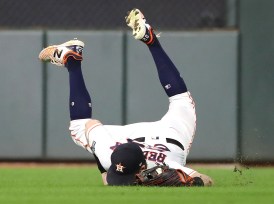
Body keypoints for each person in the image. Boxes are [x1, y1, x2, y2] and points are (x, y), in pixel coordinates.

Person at [39, 8, 213, 186]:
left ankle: (73, 61)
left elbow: (206, 181)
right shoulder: (110, 156)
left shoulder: (168, 165)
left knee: (79, 127)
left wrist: (189, 182)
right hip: (155, 138)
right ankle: (149, 41)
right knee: (181, 99)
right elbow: (205, 181)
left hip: (165, 137)